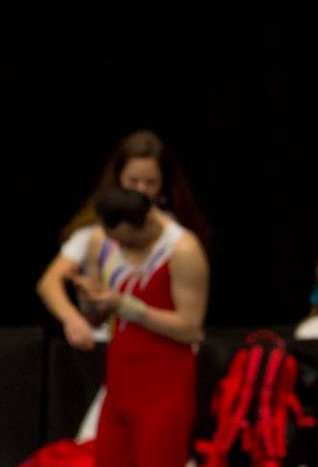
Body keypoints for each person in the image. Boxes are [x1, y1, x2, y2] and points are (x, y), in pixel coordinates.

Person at [57, 187, 210, 467]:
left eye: (125, 240)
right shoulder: (102, 244)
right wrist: (93, 304)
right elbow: (101, 315)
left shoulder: (183, 250)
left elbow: (190, 326)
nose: (117, 248)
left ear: (142, 225)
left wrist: (133, 307)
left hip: (166, 384)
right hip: (120, 382)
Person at [38, 129, 208, 353]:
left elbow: (189, 326)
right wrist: (83, 308)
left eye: (150, 183)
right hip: (113, 351)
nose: (141, 191)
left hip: (163, 352)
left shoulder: (181, 244)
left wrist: (124, 306)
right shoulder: (97, 238)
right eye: (133, 181)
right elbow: (88, 311)